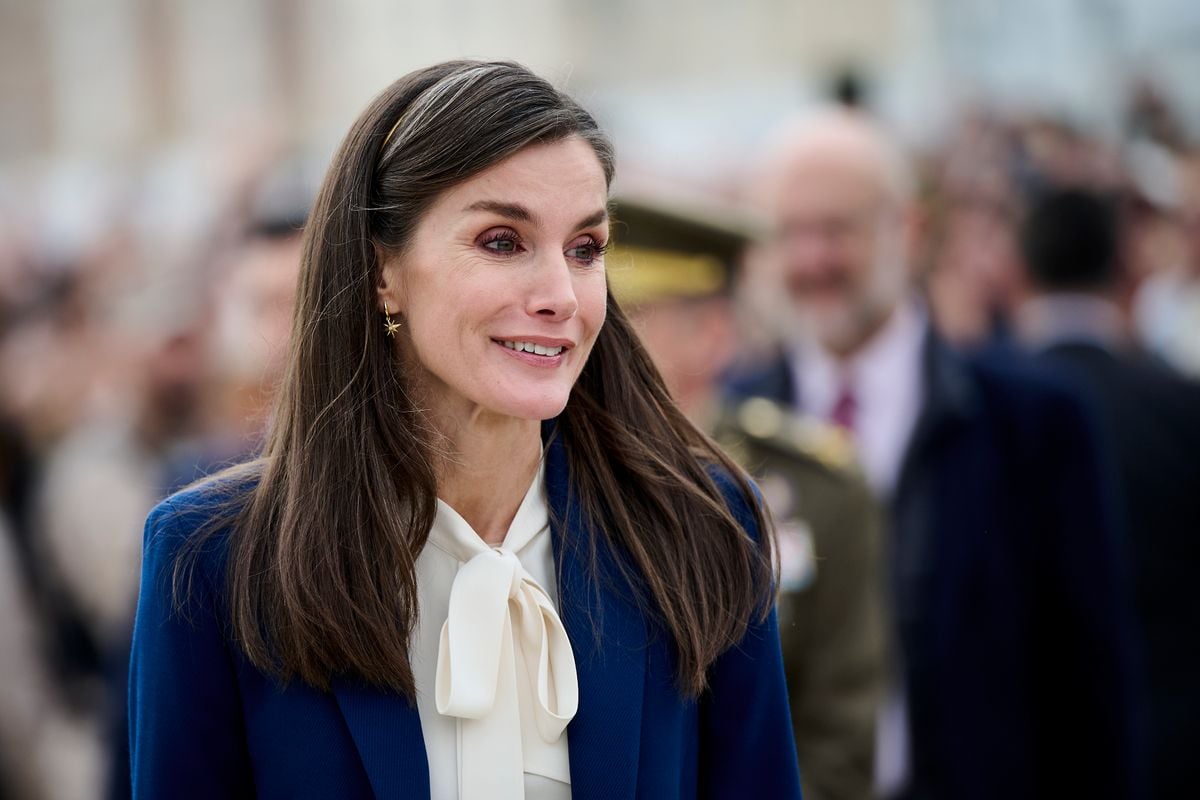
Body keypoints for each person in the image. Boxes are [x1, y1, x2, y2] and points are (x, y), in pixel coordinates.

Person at [128, 60, 801, 800]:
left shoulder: (702, 528)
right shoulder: (215, 562)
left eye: (586, 249)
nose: (558, 295)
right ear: (384, 269)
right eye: (502, 241)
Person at [728, 108, 1143, 800]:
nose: (812, 260)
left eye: (836, 229)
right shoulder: (726, 427)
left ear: (909, 230)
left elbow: (1093, 676)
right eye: (789, 233)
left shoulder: (1033, 421)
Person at [608, 197, 882, 800]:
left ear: (713, 334)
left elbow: (838, 737)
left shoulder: (814, 487)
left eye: (631, 317)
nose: (596, 337)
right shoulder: (542, 474)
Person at [1017, 185, 1200, 800]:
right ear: (1126, 270)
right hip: (1169, 747)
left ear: (1022, 270)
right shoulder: (1181, 406)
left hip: (1025, 755)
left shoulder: (977, 414)